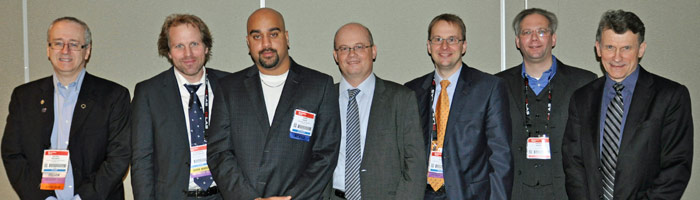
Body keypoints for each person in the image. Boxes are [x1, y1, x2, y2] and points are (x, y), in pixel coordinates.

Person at [207, 8, 340, 200]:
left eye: (273, 34)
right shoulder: (229, 88)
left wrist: (293, 197)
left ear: (286, 37)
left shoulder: (319, 86)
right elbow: (218, 153)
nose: (266, 44)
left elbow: (326, 153)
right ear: (248, 43)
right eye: (257, 36)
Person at [562, 9, 693, 200]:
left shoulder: (670, 96)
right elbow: (573, 163)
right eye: (609, 47)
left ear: (641, 49)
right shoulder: (581, 98)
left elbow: (676, 167)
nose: (617, 57)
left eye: (626, 48)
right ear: (598, 49)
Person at [1, 17, 130, 200]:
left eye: (74, 44)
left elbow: (119, 156)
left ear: (87, 51)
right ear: (48, 49)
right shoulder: (24, 97)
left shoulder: (113, 96)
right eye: (58, 43)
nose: (65, 50)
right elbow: (12, 153)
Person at [404, 13, 513, 200]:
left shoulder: (488, 88)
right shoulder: (411, 91)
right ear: (429, 46)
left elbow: (500, 156)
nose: (444, 46)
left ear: (464, 46)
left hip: (470, 195)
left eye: (452, 39)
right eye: (438, 39)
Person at [494, 8, 596, 200]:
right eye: (526, 32)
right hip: (514, 193)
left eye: (541, 31)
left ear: (553, 39)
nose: (534, 38)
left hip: (567, 193)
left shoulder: (584, 83)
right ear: (517, 41)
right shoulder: (497, 85)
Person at [131, 14, 229, 199]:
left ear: (206, 47)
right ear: (168, 52)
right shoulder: (149, 93)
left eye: (194, 44)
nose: (188, 54)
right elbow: (141, 161)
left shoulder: (230, 85)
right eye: (179, 46)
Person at [323, 23, 426, 200]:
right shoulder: (323, 99)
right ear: (336, 56)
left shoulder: (401, 98)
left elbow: (415, 165)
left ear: (373, 51)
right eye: (344, 48)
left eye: (359, 47)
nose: (352, 54)